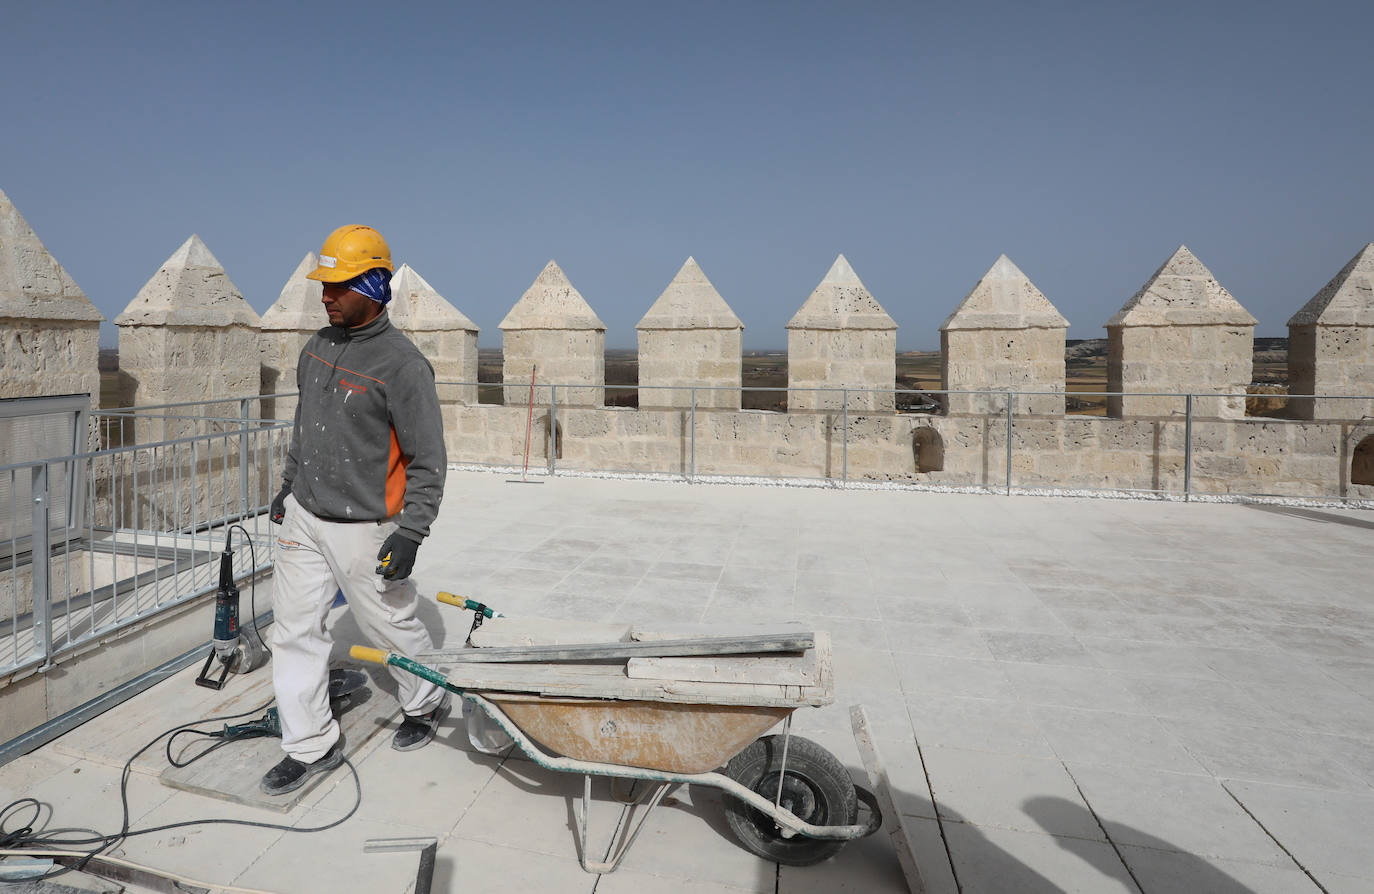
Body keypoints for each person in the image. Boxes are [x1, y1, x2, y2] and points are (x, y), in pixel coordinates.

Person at [260, 224, 449, 796]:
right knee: (293, 631)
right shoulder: (316, 349)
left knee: (385, 623)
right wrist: (288, 485)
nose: (326, 295)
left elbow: (427, 458)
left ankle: (425, 698)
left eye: (340, 285)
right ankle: (308, 744)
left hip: (367, 526)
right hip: (305, 517)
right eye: (324, 285)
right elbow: (305, 429)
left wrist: (411, 531)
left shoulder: (402, 365)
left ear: (374, 283)